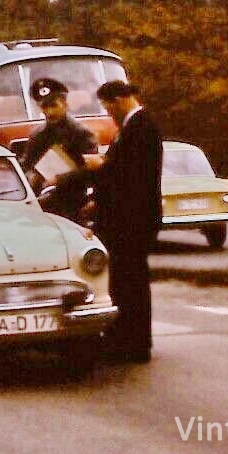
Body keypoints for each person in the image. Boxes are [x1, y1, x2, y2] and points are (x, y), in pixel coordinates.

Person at [82, 79, 163, 363]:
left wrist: (100, 167)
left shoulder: (141, 128)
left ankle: (134, 343)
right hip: (127, 217)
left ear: (117, 100)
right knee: (124, 281)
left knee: (132, 283)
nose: (108, 113)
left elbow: (131, 176)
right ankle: (124, 337)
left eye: (107, 107)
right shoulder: (133, 127)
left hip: (132, 219)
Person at [19, 77, 99, 219]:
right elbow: (26, 165)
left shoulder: (81, 133)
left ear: (65, 104)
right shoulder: (37, 135)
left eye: (53, 106)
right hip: (42, 204)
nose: (49, 112)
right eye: (45, 107)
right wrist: (32, 177)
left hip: (73, 202)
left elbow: (91, 170)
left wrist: (60, 179)